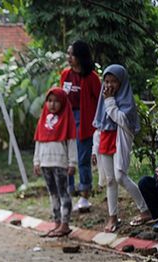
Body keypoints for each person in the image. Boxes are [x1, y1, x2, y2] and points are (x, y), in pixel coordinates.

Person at [92, 64, 152, 233]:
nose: (109, 85)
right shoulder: (102, 99)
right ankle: (112, 217)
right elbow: (99, 125)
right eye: (107, 81)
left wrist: (110, 101)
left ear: (122, 83)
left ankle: (145, 209)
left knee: (120, 176)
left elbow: (122, 121)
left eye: (114, 82)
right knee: (110, 180)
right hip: (104, 140)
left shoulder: (126, 101)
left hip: (119, 139)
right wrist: (93, 149)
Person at [60, 40, 101, 212]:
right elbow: (62, 98)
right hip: (67, 121)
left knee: (83, 160)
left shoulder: (92, 78)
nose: (69, 57)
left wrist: (98, 125)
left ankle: (84, 195)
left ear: (80, 56)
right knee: (66, 159)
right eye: (68, 53)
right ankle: (68, 194)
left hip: (85, 122)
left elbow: (100, 102)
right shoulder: (65, 75)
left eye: (72, 54)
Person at [33, 87, 77, 237]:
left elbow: (71, 143)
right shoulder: (43, 121)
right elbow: (39, 141)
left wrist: (72, 163)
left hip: (60, 163)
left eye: (57, 101)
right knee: (53, 194)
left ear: (63, 103)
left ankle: (65, 224)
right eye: (49, 101)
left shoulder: (66, 120)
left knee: (64, 193)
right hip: (45, 163)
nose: (52, 104)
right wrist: (36, 161)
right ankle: (56, 223)